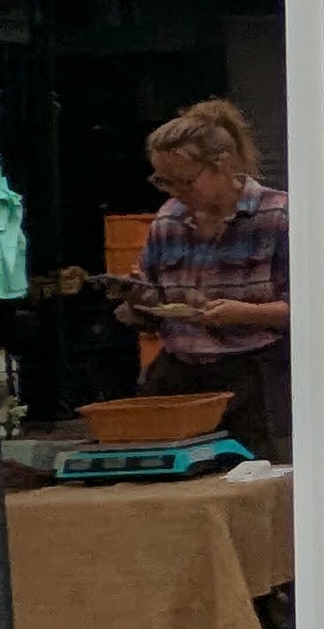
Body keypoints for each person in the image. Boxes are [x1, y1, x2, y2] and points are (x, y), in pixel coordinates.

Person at [114, 99, 296, 457]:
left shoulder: (278, 215)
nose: (175, 194)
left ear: (223, 165)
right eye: (163, 182)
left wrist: (240, 313)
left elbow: (319, 307)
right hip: (178, 380)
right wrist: (138, 300)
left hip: (254, 379)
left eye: (185, 182)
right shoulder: (168, 219)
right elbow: (152, 309)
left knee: (258, 486)